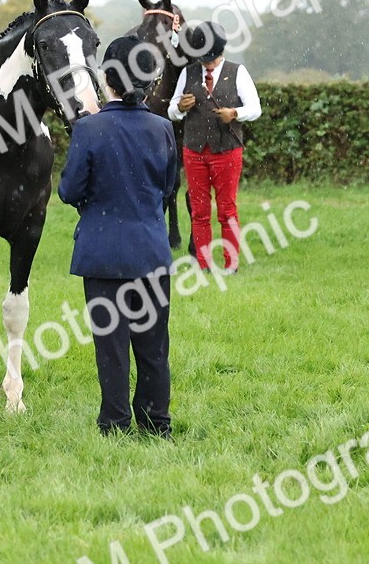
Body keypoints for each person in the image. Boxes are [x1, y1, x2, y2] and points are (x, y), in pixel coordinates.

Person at [59, 37, 178, 438]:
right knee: (153, 348)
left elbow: (69, 191)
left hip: (103, 255)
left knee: (110, 349)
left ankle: (114, 422)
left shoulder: (89, 129)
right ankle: (156, 423)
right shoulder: (162, 128)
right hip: (150, 251)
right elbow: (167, 187)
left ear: (107, 78)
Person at [167, 22, 262, 273]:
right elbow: (171, 110)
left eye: (211, 59)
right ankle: (203, 264)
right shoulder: (188, 73)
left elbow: (255, 108)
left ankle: (231, 264)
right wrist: (180, 108)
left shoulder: (238, 72)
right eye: (203, 59)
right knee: (199, 211)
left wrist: (236, 113)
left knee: (227, 209)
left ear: (221, 53)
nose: (207, 64)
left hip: (228, 150)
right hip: (194, 150)